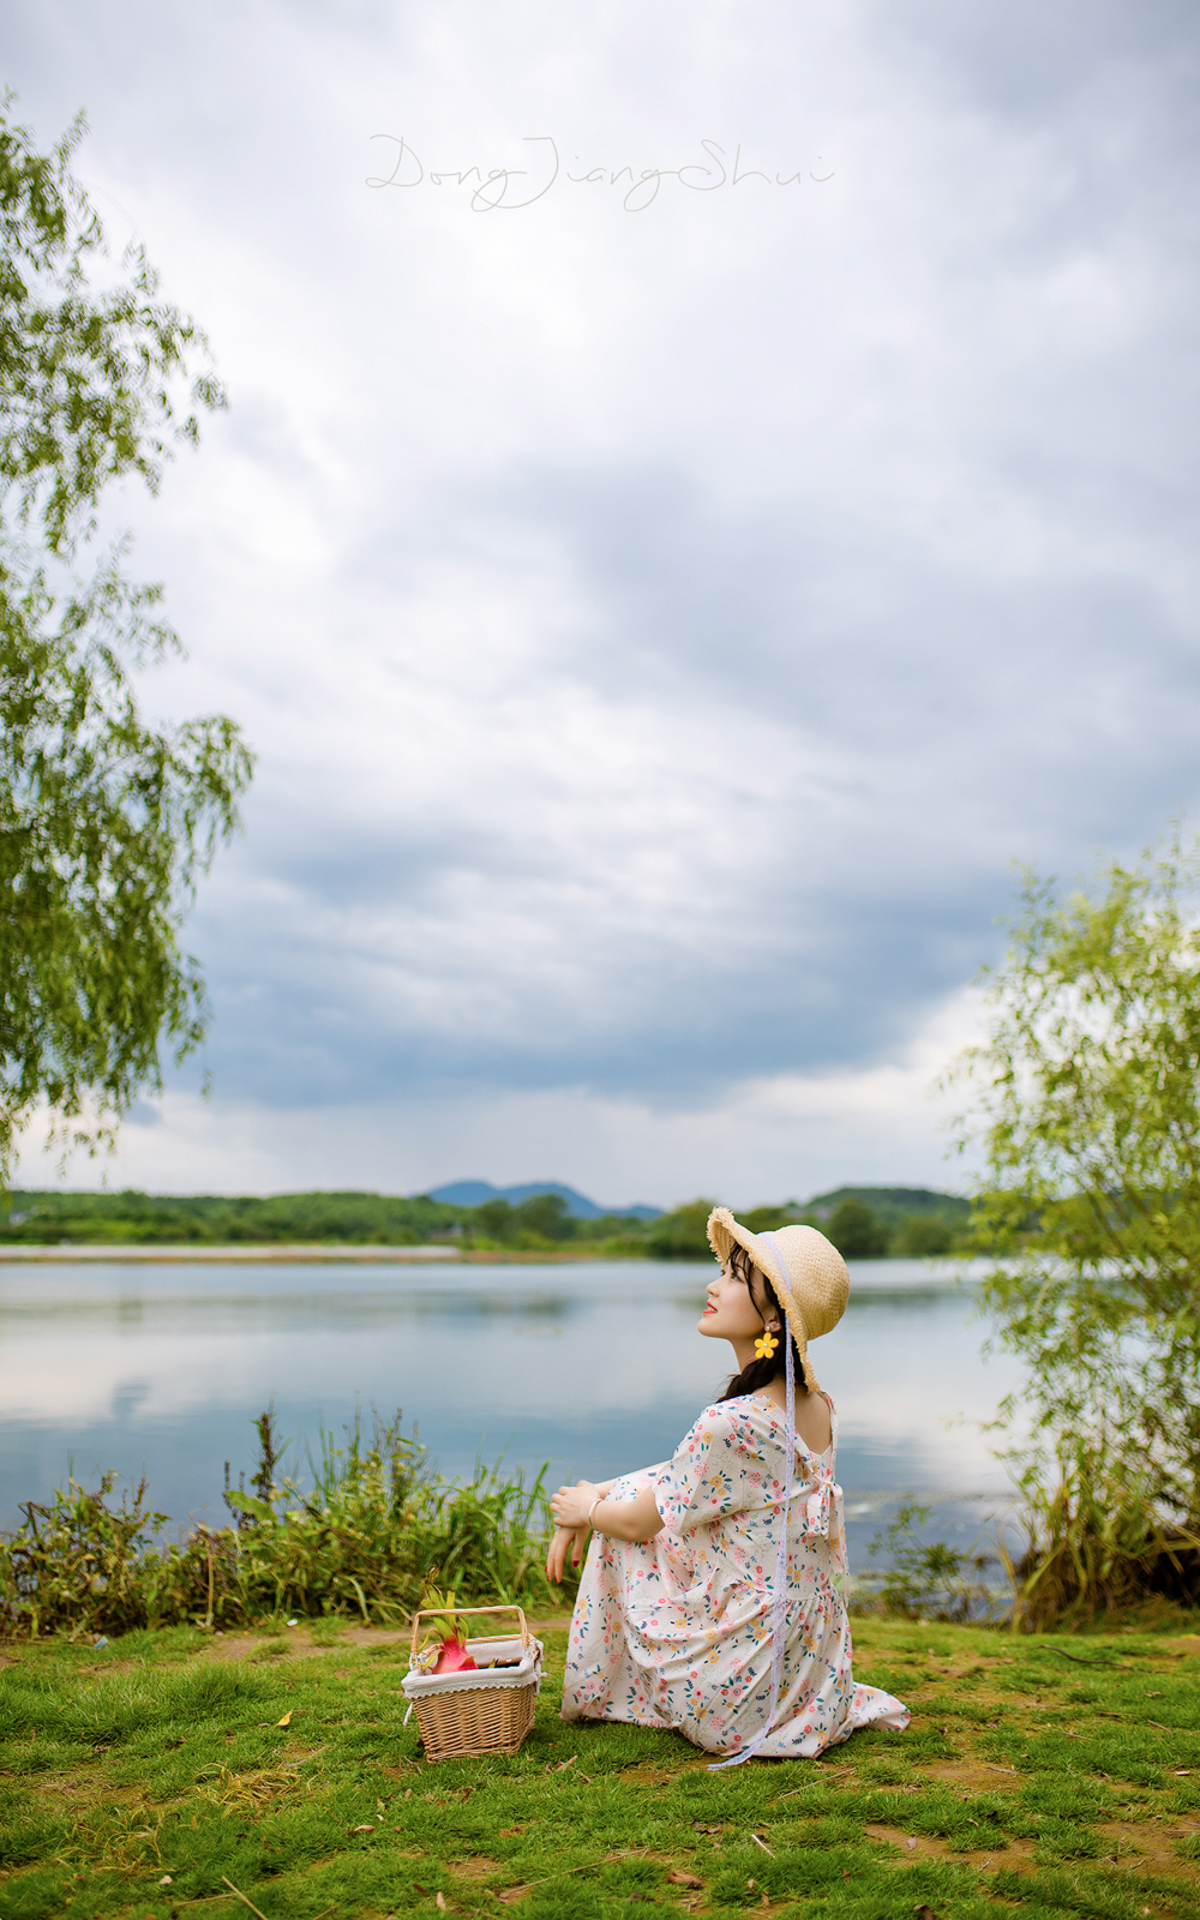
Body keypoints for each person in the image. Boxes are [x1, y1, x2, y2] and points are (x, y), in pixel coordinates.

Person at [546, 1205, 909, 1760]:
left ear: (774, 1317)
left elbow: (643, 1518)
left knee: (626, 1520)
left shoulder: (734, 1422)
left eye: (736, 1278)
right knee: (630, 1499)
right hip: (808, 1682)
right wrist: (599, 1492)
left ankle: (606, 1686)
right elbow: (680, 1478)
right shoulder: (817, 1407)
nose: (714, 1284)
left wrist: (585, 1510)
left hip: (744, 1701)